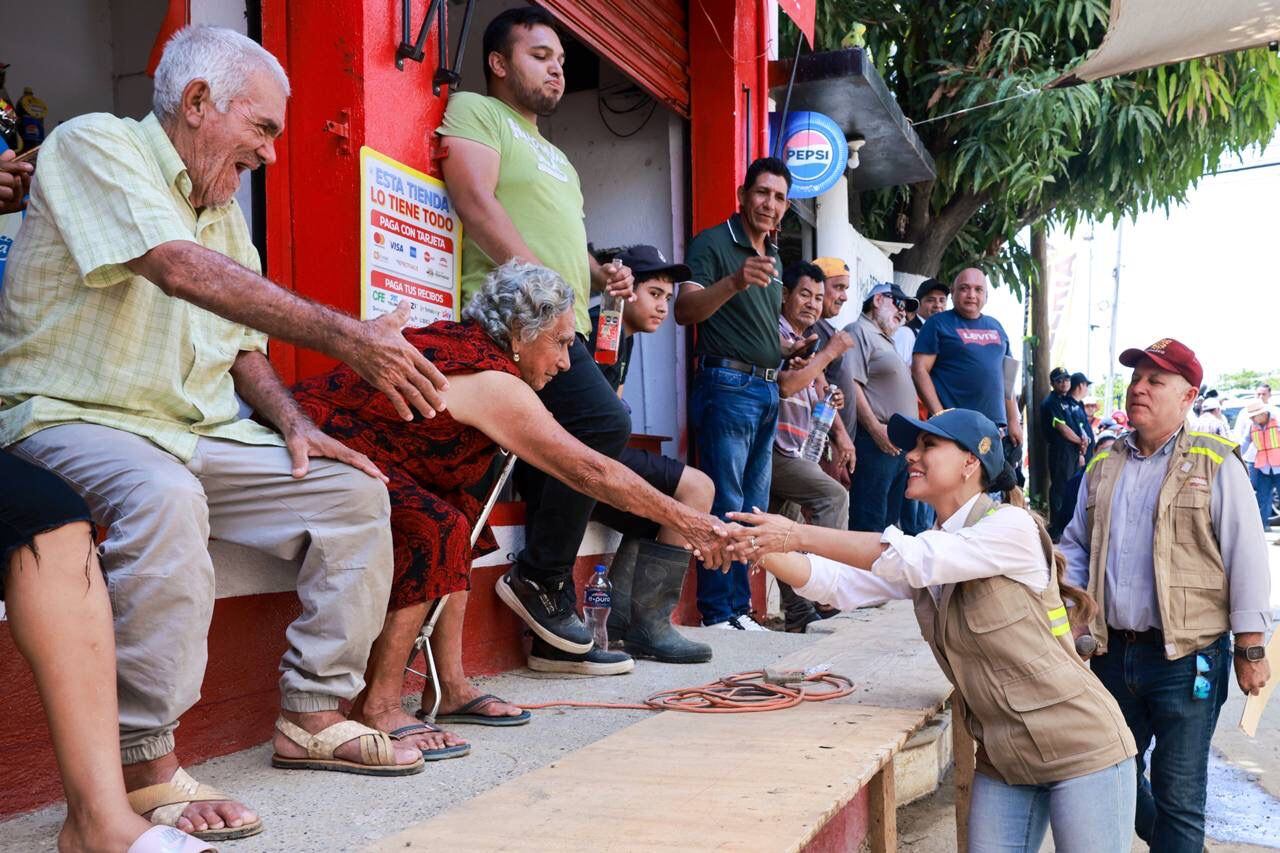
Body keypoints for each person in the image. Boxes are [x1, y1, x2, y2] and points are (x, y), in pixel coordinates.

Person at [0, 25, 451, 839]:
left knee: (351, 491)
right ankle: (143, 763)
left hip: (189, 425)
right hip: (72, 416)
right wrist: (348, 336)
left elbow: (241, 343)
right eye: (264, 128)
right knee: (164, 495)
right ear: (198, 101)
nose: (271, 154)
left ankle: (311, 715)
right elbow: (176, 267)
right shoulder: (94, 144)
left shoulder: (220, 204)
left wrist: (294, 422)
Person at [292, 261, 730, 739]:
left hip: (361, 451)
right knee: (438, 525)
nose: (566, 362)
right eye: (560, 343)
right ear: (520, 333)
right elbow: (591, 471)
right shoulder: (494, 379)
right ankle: (377, 706)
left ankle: (450, 688)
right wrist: (687, 520)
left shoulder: (480, 350)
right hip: (315, 446)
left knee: (460, 517)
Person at [729, 409, 1138, 853]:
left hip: (1080, 747)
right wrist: (751, 545)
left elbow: (909, 558)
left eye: (929, 446)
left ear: (970, 462)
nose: (911, 455)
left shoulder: (1009, 526)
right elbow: (838, 583)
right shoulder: (936, 547)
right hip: (1004, 756)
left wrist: (795, 534)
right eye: (914, 446)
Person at [438, 6, 637, 660]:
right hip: (511, 322)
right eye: (540, 55)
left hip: (563, 328)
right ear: (498, 62)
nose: (557, 70)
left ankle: (550, 629)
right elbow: (474, 200)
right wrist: (540, 289)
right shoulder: (476, 111)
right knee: (601, 423)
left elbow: (568, 242)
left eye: (561, 61)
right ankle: (542, 578)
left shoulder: (561, 160)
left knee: (586, 430)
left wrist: (602, 273)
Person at [1060, 338, 1272, 852]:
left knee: (1179, 796)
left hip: (1188, 660)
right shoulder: (1103, 462)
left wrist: (1250, 648)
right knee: (1111, 775)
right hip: (1112, 655)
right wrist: (1076, 619)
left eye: (1155, 381)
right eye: (1136, 379)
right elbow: (1075, 547)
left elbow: (1246, 556)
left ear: (1187, 396)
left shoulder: (1214, 461)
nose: (1139, 389)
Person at [583, 244, 716, 664]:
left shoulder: (624, 336)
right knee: (697, 487)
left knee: (660, 508)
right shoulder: (600, 326)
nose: (662, 307)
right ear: (625, 289)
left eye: (668, 298)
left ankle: (625, 620)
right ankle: (652, 626)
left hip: (601, 457)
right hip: (577, 462)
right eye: (655, 293)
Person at [674, 156, 791, 630]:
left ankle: (739, 610)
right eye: (762, 192)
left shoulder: (775, 256)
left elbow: (755, 325)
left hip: (766, 389)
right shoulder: (713, 242)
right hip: (727, 386)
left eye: (779, 197)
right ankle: (718, 612)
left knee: (752, 510)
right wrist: (734, 280)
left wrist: (784, 349)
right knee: (725, 501)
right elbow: (684, 310)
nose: (769, 204)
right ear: (743, 195)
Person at [769, 262, 853, 631]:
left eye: (818, 298)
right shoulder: (777, 333)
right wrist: (830, 352)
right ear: (785, 295)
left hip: (795, 449)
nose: (813, 304)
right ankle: (825, 592)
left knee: (784, 532)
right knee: (833, 497)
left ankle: (799, 614)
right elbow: (786, 386)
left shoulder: (805, 341)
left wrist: (828, 401)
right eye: (805, 294)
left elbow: (808, 390)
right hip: (772, 450)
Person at [912, 267, 1024, 469]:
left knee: (990, 485)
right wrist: (940, 416)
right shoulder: (937, 323)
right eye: (964, 288)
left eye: (978, 289)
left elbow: (1007, 379)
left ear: (986, 296)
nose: (971, 295)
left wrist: (1014, 420)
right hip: (954, 429)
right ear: (953, 293)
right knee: (954, 483)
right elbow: (919, 370)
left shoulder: (996, 326)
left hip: (994, 430)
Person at [846, 283, 920, 534]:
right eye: (898, 304)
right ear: (878, 300)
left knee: (888, 528)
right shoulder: (858, 330)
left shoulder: (886, 340)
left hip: (897, 446)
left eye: (907, 309)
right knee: (869, 523)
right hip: (875, 441)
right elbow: (851, 384)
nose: (903, 312)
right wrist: (876, 429)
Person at [809, 256, 860, 455]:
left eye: (845, 289)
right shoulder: (812, 328)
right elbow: (818, 382)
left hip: (837, 443)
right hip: (824, 441)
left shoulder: (825, 327)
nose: (844, 296)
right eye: (838, 287)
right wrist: (840, 434)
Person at [1241, 397, 1280, 533]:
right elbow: (1245, 443)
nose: (1252, 419)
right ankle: (1262, 527)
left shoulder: (1277, 421)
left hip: (1279, 466)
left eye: (1254, 416)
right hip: (1263, 468)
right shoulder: (1252, 426)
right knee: (1263, 498)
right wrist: (1236, 456)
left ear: (1262, 414)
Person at [1068, 372, 1095, 458]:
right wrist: (1080, 454)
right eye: (1086, 385)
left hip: (1087, 453)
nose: (1087, 389)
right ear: (1081, 385)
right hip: (1077, 455)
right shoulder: (1068, 405)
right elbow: (1074, 430)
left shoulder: (1079, 404)